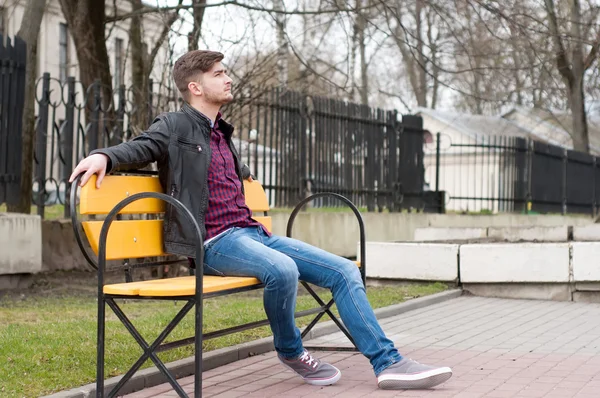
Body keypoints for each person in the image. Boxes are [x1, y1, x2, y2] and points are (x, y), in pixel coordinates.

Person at [69, 50, 452, 390]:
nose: (227, 77)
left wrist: (243, 170)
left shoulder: (222, 133)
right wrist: (104, 155)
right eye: (218, 73)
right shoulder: (175, 125)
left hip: (253, 235)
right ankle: (291, 351)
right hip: (215, 243)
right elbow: (143, 146)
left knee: (343, 271)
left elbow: (217, 167)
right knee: (283, 270)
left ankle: (389, 364)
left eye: (225, 71)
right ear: (195, 87)